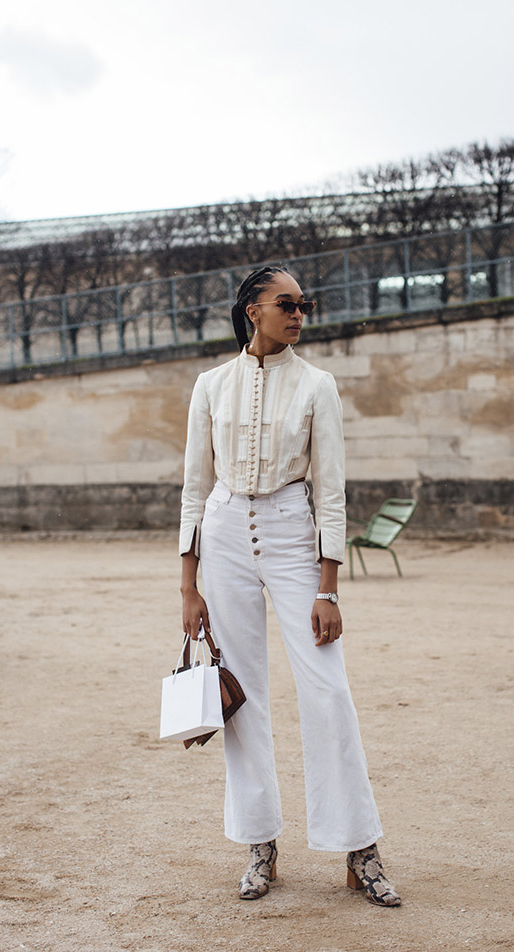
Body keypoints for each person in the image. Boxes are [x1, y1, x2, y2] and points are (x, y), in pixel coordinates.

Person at [178, 265, 401, 907]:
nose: (299, 313)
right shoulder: (211, 385)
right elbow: (194, 487)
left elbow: (331, 490)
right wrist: (187, 587)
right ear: (253, 309)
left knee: (328, 689)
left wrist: (328, 587)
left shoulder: (317, 385)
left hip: (290, 530)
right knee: (240, 694)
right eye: (287, 303)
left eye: (305, 304)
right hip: (221, 535)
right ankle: (260, 844)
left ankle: (360, 849)